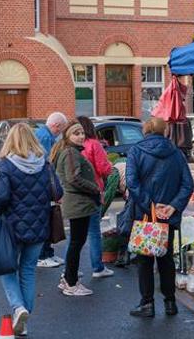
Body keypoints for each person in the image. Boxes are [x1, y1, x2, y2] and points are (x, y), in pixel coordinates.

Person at [0, 123, 63, 336]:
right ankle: (24, 315)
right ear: (33, 139)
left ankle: (18, 308)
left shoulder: (6, 165)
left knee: (7, 268)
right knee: (29, 270)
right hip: (39, 226)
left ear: (10, 140)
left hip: (11, 227)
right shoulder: (44, 164)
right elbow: (56, 192)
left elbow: (1, 198)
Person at [126, 118, 194, 318]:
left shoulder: (136, 151)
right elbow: (187, 184)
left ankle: (147, 303)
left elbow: (132, 182)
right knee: (166, 259)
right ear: (165, 132)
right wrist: (173, 206)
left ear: (145, 131)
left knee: (144, 260)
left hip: (144, 214)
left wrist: (150, 205)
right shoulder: (176, 153)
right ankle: (170, 302)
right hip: (167, 215)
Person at [52, 121, 100, 296]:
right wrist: (95, 188)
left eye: (82, 133)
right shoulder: (71, 152)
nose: (81, 136)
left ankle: (68, 278)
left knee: (76, 242)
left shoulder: (70, 151)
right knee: (76, 243)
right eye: (76, 133)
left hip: (78, 203)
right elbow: (73, 178)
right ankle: (71, 283)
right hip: (78, 204)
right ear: (68, 136)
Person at [77, 116, 115, 278]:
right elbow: (104, 167)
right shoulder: (94, 144)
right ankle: (97, 268)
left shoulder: (72, 147)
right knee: (93, 231)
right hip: (93, 190)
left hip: (76, 194)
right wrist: (111, 168)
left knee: (75, 234)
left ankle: (71, 268)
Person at [35, 112, 68, 268]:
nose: (60, 134)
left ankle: (48, 253)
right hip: (45, 186)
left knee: (47, 220)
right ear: (56, 126)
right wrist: (55, 190)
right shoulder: (46, 138)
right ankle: (42, 255)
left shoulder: (41, 133)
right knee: (46, 221)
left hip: (41, 186)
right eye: (61, 130)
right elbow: (48, 166)